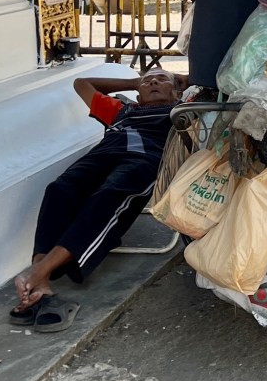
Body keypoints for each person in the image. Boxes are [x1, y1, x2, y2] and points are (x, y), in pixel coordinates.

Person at [10, 68, 188, 331]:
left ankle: (39, 272)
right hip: (101, 157)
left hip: (146, 159)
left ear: (177, 92)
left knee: (109, 194)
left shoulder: (184, 110)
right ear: (138, 94)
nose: (152, 81)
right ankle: (41, 282)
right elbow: (82, 83)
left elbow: (217, 86)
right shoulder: (120, 110)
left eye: (162, 79)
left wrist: (186, 80)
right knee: (59, 189)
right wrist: (134, 82)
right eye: (147, 79)